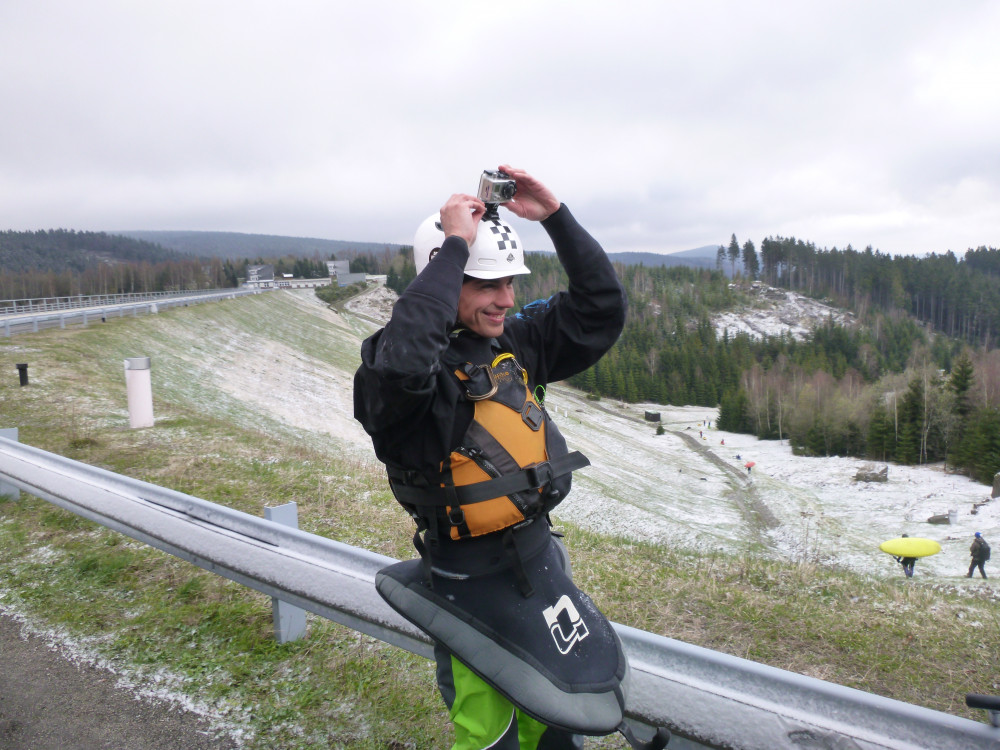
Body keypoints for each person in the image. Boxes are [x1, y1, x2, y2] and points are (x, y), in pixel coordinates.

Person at [354, 168, 664, 750]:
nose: (506, 299)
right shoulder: (402, 381)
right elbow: (404, 362)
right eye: (486, 285)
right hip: (468, 587)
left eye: (510, 282)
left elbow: (600, 309)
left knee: (556, 727)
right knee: (489, 735)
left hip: (539, 563)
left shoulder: (509, 344)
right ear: (444, 278)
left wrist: (555, 217)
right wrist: (454, 246)